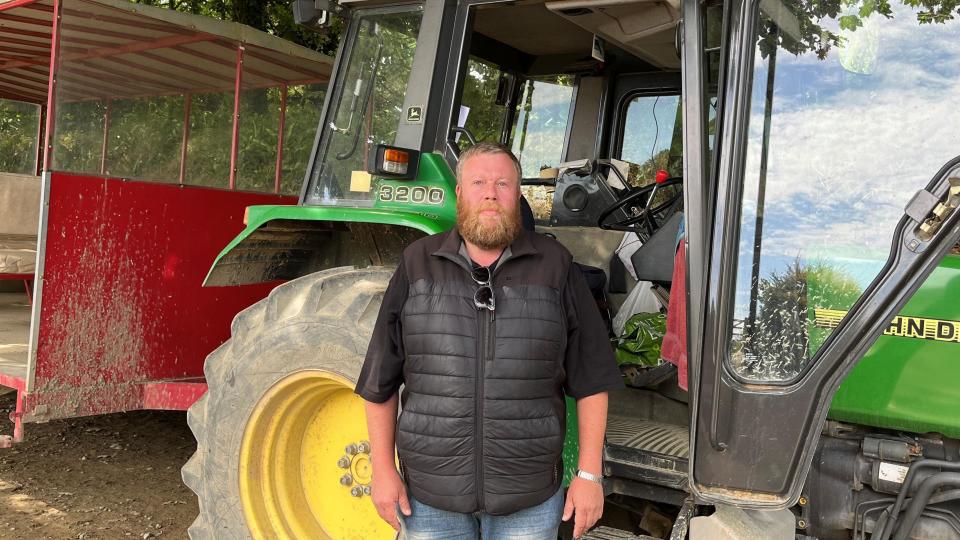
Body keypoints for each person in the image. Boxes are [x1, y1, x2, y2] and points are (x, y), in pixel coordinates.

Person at [355, 142, 623, 539]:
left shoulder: (556, 266)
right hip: (429, 500)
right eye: (478, 182)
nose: (491, 193)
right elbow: (379, 381)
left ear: (519, 195)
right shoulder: (417, 264)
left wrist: (589, 474)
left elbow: (592, 380)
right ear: (460, 193)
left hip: (528, 501)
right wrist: (382, 470)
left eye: (503, 183)